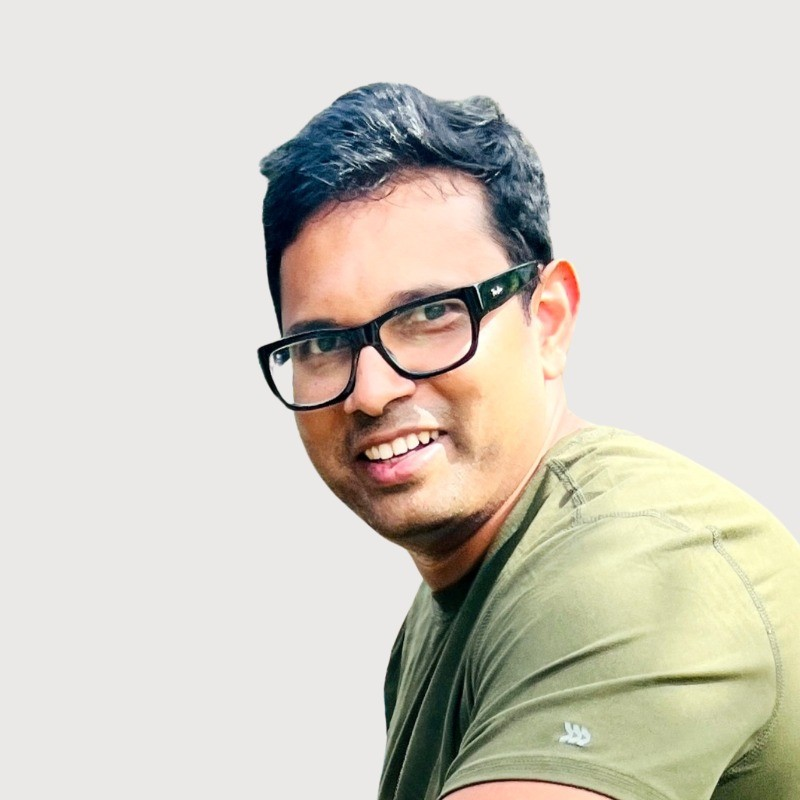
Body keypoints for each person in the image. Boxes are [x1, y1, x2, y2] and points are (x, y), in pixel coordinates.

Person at [255, 82, 800, 799]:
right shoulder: (459, 594)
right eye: (323, 343)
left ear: (548, 320)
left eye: (431, 315)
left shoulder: (637, 571)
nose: (372, 391)